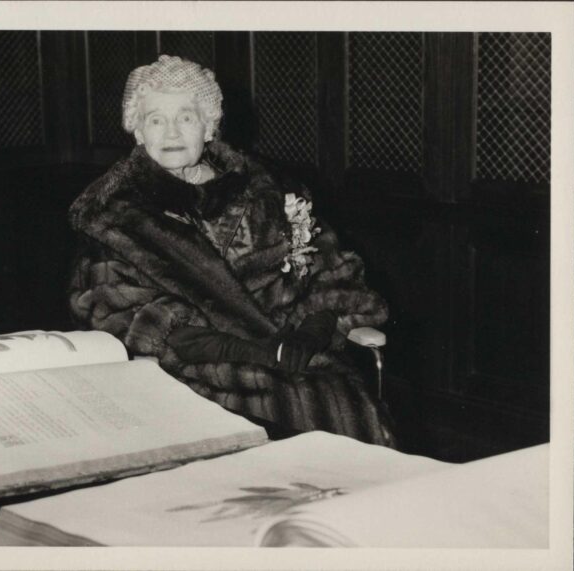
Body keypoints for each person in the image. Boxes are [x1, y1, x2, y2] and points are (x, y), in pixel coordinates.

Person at [68, 55, 396, 447]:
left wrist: (310, 334)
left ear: (208, 126)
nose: (171, 132)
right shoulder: (115, 214)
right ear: (137, 131)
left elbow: (331, 274)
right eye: (156, 119)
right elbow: (120, 313)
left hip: (294, 357)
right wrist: (253, 351)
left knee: (343, 411)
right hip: (190, 374)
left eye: (186, 117)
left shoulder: (269, 189)